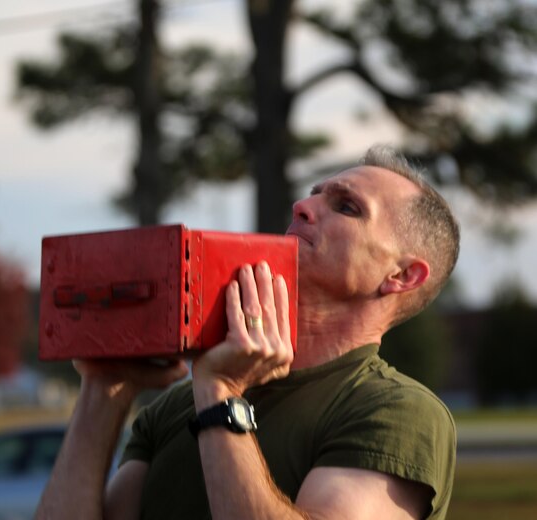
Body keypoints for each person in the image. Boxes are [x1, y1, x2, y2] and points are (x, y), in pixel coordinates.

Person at [35, 145, 460, 520]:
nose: (302, 206)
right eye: (313, 194)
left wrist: (221, 391)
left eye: (346, 207)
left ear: (402, 275)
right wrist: (103, 388)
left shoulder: (398, 413)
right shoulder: (179, 404)